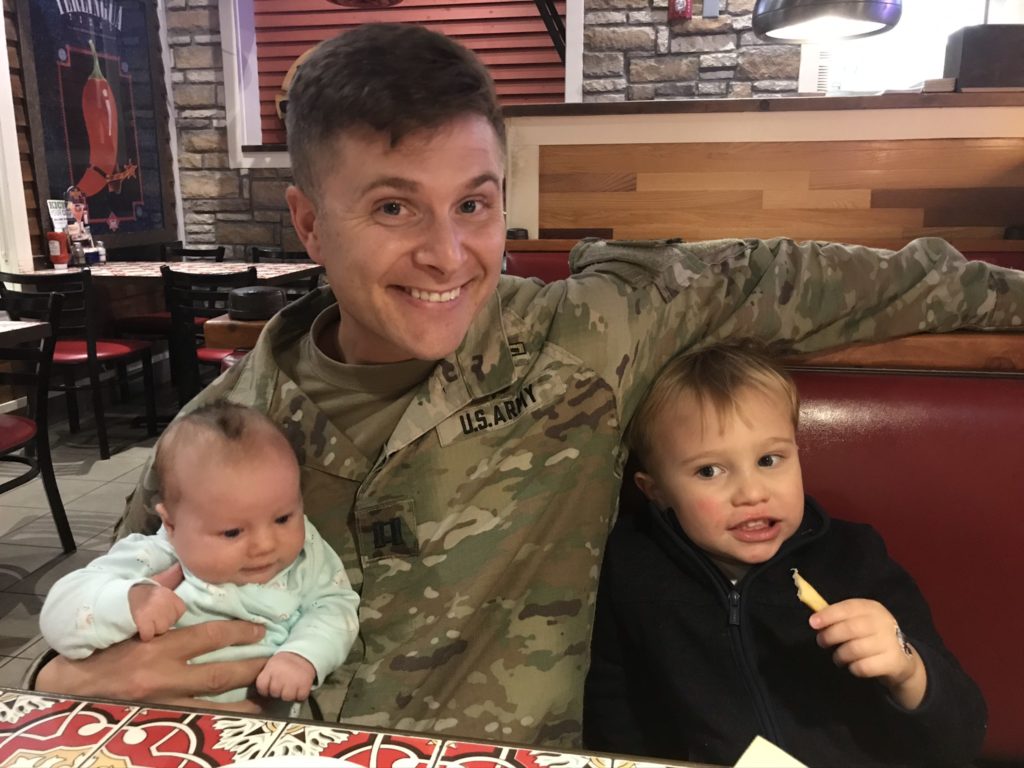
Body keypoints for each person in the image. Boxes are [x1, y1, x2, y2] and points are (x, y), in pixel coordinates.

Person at [32, 22, 1024, 748]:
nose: (447, 253)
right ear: (306, 223)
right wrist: (53, 672)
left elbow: (831, 280)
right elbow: (104, 613)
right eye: (392, 207)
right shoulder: (219, 431)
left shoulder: (591, 329)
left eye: (474, 202)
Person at [582, 344, 986, 766]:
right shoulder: (633, 568)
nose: (753, 493)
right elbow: (617, 707)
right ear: (656, 491)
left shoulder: (854, 557)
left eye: (769, 459)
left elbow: (963, 736)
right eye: (709, 471)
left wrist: (907, 670)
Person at [39, 402, 360, 706]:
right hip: (145, 722)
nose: (265, 544)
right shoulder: (154, 556)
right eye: (232, 532)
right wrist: (128, 601)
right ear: (172, 524)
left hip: (257, 731)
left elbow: (335, 605)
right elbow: (62, 610)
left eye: (283, 518)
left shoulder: (306, 552)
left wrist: (303, 655)